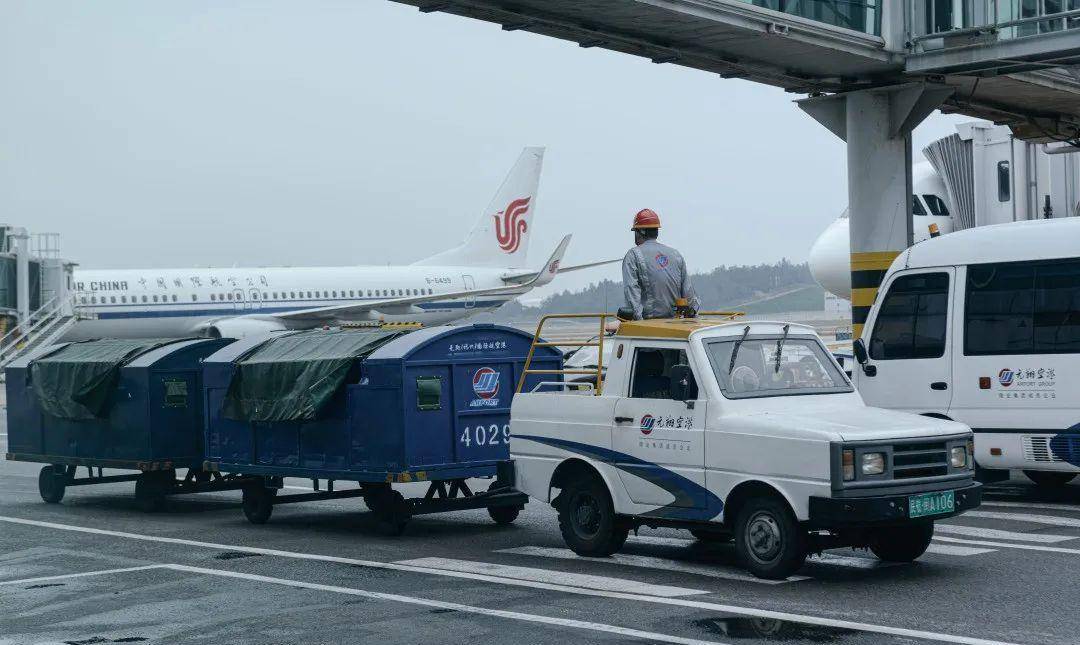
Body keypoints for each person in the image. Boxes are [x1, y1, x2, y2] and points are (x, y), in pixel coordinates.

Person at [622, 209, 700, 320]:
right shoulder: (675, 254)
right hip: (676, 324)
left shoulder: (633, 255)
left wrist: (639, 322)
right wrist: (692, 315)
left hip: (649, 326)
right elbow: (689, 294)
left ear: (640, 232)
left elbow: (631, 292)